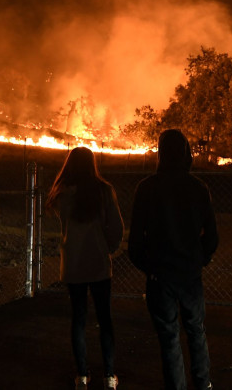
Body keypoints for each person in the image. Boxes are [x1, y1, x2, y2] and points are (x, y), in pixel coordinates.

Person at [128, 129, 218, 390]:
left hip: (160, 277)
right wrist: (199, 259)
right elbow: (211, 236)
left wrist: (151, 267)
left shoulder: (146, 188)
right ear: (186, 153)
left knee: (168, 338)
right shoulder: (198, 188)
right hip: (189, 275)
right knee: (196, 331)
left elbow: (135, 242)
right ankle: (203, 384)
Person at [48, 146, 125, 390]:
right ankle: (109, 376)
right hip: (99, 263)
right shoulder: (104, 191)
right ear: (92, 165)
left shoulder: (61, 194)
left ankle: (82, 375)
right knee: (105, 318)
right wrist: (108, 248)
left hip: (73, 264)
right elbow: (117, 227)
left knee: (78, 319)